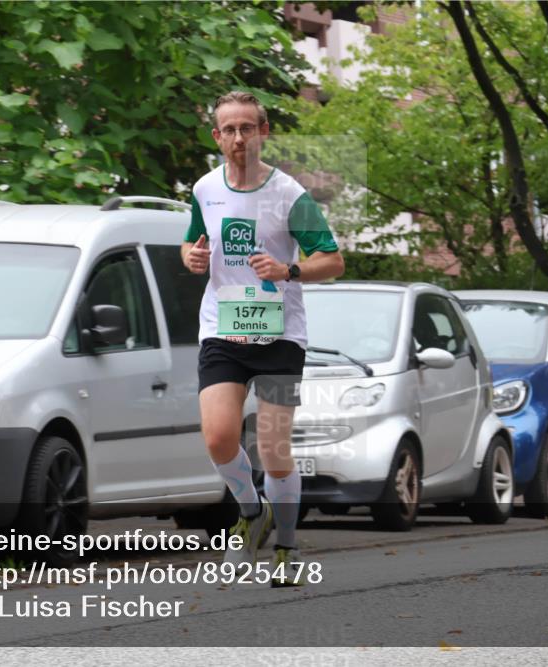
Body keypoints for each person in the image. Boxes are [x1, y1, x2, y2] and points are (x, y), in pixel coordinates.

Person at [181, 91, 345, 585]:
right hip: (223, 330)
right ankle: (252, 514)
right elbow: (192, 241)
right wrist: (190, 257)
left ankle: (288, 548)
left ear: (263, 132)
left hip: (278, 336)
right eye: (228, 130)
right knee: (219, 438)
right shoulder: (205, 189)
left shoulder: (290, 195)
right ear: (217, 137)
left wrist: (288, 268)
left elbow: (333, 261)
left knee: (273, 448)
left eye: (246, 128)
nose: (237, 138)